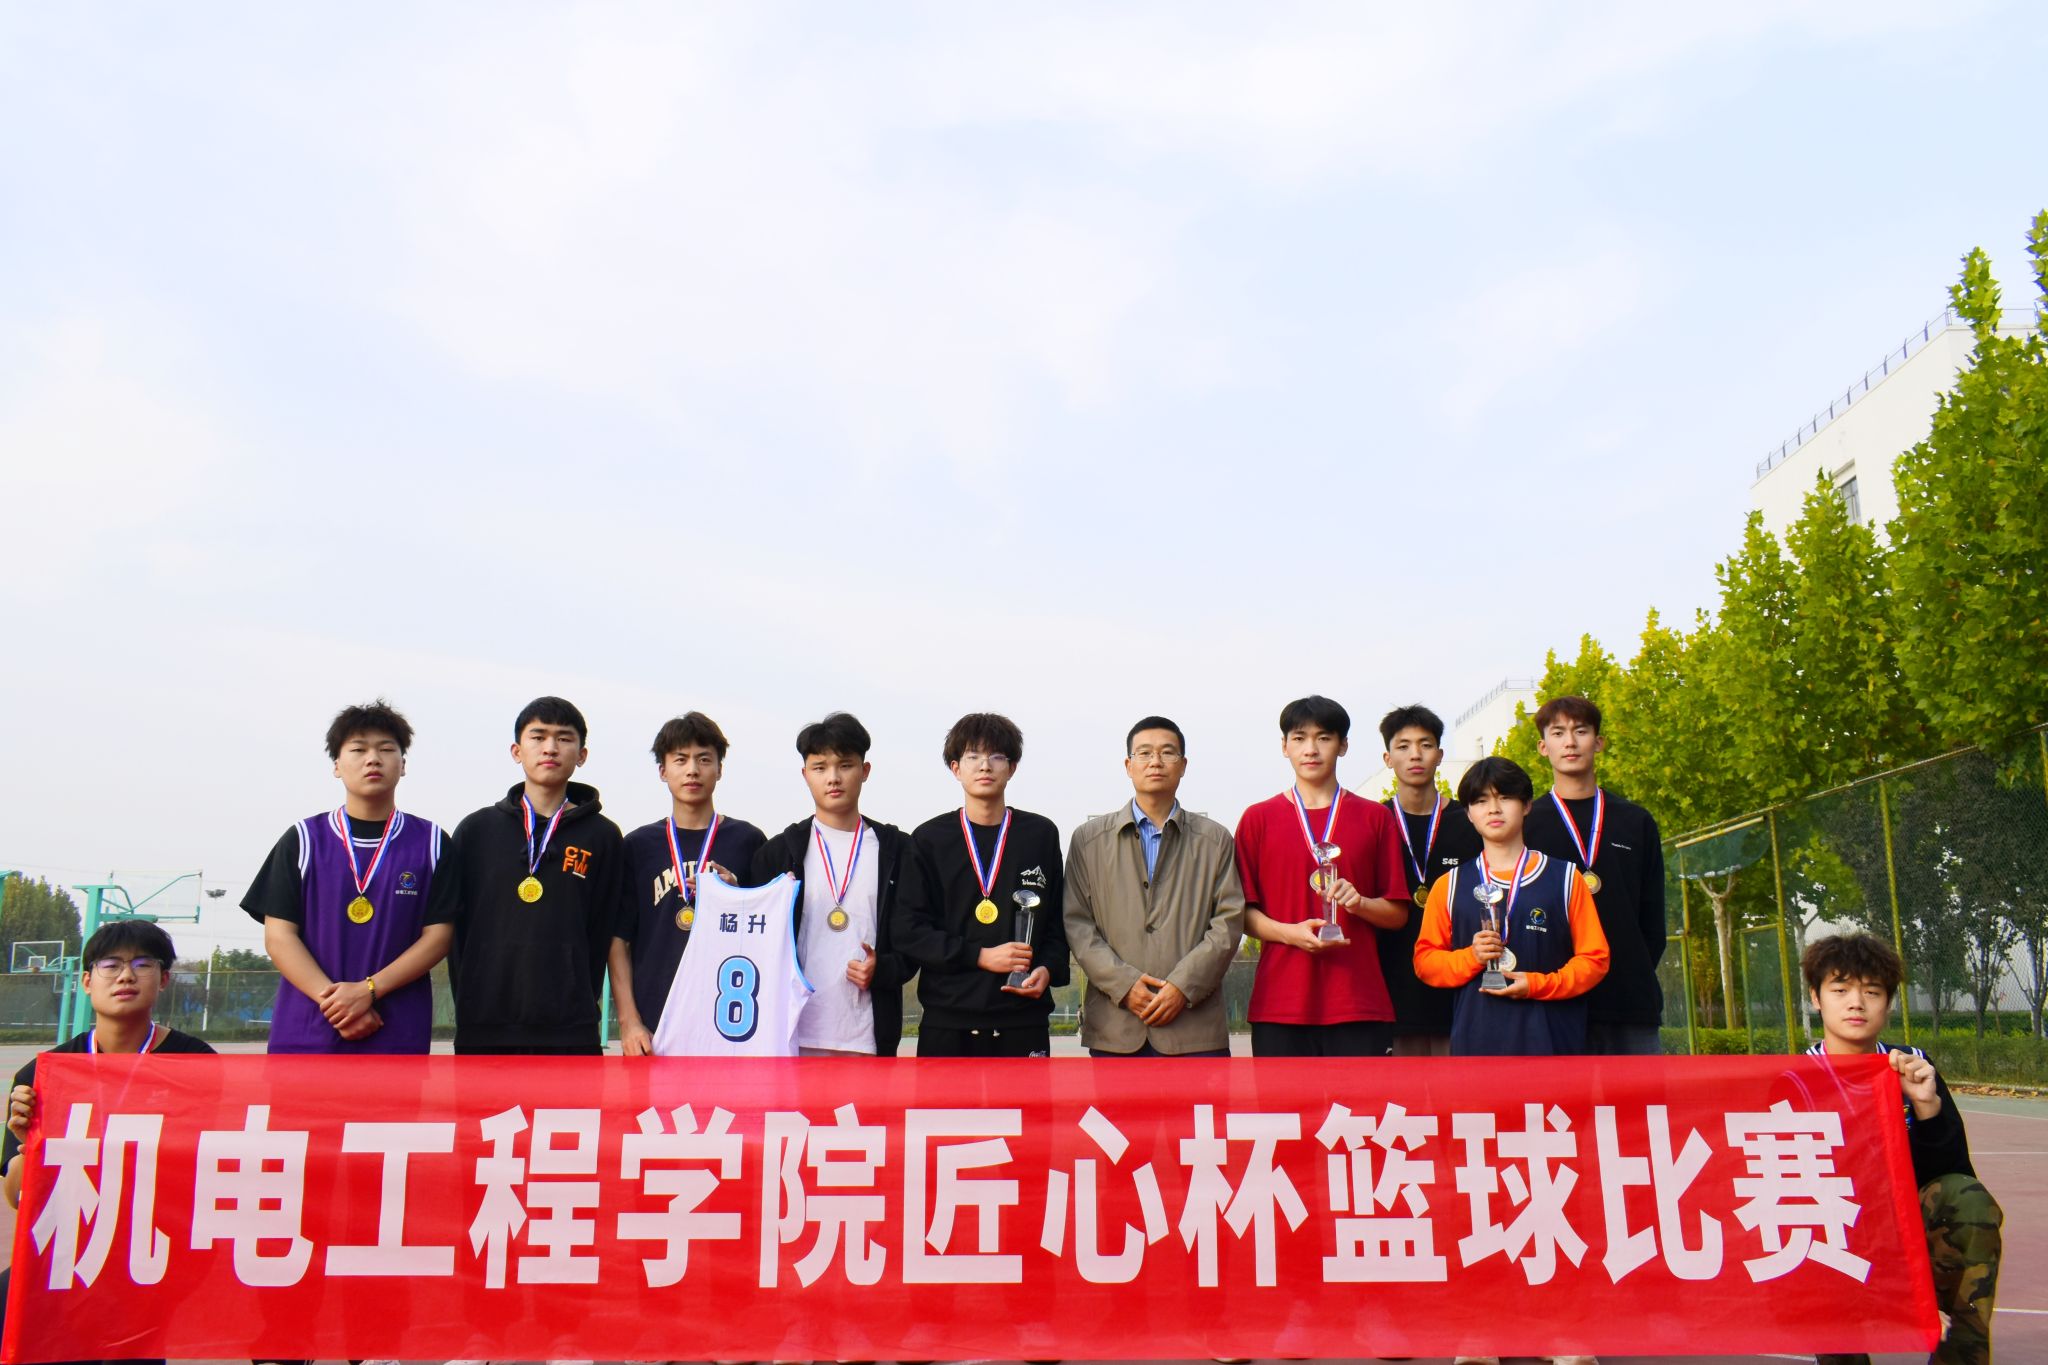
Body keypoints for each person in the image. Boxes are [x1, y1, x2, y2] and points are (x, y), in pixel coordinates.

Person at [1, 922, 213, 1365]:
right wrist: (31, 1146)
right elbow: (19, 1196)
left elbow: (212, 1172)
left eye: (143, 964)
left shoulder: (197, 1064)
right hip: (70, 1249)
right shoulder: (45, 1073)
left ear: (164, 979)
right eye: (111, 965)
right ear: (86, 981)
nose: (126, 976)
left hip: (152, 1251)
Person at [1803, 934, 2001, 1365]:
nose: (1856, 1003)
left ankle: (1959, 1356)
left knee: (1968, 1199)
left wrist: (1926, 1107)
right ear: (1816, 998)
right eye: (1840, 990)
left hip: (1908, 1225)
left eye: (1872, 992)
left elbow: (1953, 1175)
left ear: (1889, 1003)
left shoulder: (1913, 1066)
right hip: (1836, 1237)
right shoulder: (1793, 1080)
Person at [242, 699, 456, 1055]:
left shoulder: (432, 843)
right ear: (337, 766)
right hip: (308, 1030)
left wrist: (368, 990)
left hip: (395, 1031)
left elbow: (438, 937)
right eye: (358, 749)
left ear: (403, 765)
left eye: (386, 749)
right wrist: (336, 1003)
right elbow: (279, 937)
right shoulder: (303, 840)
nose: (373, 759)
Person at [448, 695, 627, 1055]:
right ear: (516, 751)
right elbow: (454, 931)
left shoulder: (603, 836)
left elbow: (608, 929)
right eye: (538, 736)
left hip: (571, 1028)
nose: (550, 748)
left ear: (582, 755)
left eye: (564, 738)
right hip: (483, 1025)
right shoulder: (475, 831)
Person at [1233, 696, 1410, 1057]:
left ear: (1343, 745)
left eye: (1324, 738)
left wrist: (1359, 904)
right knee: (1282, 1098)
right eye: (1299, 738)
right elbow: (1242, 914)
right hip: (1280, 1004)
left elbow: (1398, 914)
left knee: (1360, 1098)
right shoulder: (1257, 819)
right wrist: (1290, 934)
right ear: (1284, 746)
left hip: (1358, 1003)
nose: (1311, 749)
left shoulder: (1375, 818)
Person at [1064, 716, 1245, 1057]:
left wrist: (1183, 986)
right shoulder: (1088, 841)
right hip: (1116, 1028)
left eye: (1167, 752)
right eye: (1144, 753)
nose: (1155, 762)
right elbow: (1077, 923)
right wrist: (1124, 984)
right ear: (1128, 765)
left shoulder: (1214, 840)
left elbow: (1229, 921)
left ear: (1184, 765)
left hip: (1194, 1029)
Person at [894, 712, 1068, 1057]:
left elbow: (1057, 922)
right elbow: (909, 930)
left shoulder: (1040, 834)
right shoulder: (929, 839)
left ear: (1012, 768)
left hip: (1023, 1018)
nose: (985, 766)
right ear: (956, 768)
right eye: (973, 756)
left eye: (997, 756)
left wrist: (1047, 969)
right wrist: (980, 956)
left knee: (1028, 1099)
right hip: (949, 1020)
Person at [1412, 755, 1609, 1057]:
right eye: (1481, 801)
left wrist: (1538, 984)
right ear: (1469, 813)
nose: (1493, 808)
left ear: (1527, 805)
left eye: (1504, 797)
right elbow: (1425, 962)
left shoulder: (1566, 878)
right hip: (1476, 1043)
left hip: (1552, 1042)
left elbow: (1595, 959)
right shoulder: (1448, 885)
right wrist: (1472, 957)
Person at [751, 711, 923, 1057]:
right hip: (793, 1035)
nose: (833, 778)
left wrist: (883, 969)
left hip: (867, 1037)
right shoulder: (778, 853)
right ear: (805, 775)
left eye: (845, 765)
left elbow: (914, 936)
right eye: (820, 767)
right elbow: (753, 939)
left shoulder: (897, 850)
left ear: (865, 770)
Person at [609, 711, 767, 1056]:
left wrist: (737, 896)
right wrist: (629, 1021)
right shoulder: (637, 845)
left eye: (704, 759)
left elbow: (768, 935)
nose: (692, 770)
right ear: (663, 771)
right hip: (655, 1022)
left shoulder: (748, 840)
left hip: (729, 1019)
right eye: (680, 760)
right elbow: (619, 939)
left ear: (720, 769)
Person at [1521, 695, 1667, 1055]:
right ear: (1543, 747)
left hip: (1629, 1003)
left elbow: (1653, 921)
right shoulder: (1525, 824)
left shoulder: (1636, 821)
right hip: (1553, 1002)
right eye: (1558, 733)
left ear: (1598, 742)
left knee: (1640, 1093)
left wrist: (1631, 967)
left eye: (1581, 731)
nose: (1570, 742)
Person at [1378, 703, 1481, 1057]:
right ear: (1388, 758)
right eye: (1403, 746)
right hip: (1392, 988)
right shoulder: (1375, 822)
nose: (1415, 755)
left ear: (1439, 755)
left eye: (1425, 745)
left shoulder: (1471, 821)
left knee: (1459, 1087)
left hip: (1460, 986)